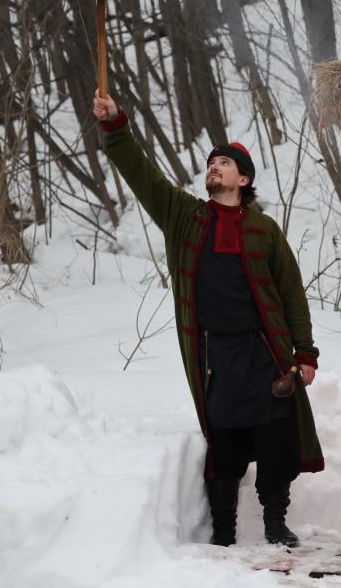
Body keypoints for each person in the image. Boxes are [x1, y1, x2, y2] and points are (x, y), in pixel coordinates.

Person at [92, 92, 323, 548]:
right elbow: (143, 176)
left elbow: (292, 293)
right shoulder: (184, 216)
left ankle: (276, 522)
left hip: (263, 352)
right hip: (214, 353)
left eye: (224, 163)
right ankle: (223, 530)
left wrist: (305, 352)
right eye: (211, 161)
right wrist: (116, 125)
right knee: (225, 442)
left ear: (244, 177)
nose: (214, 167)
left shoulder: (264, 230)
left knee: (276, 438)